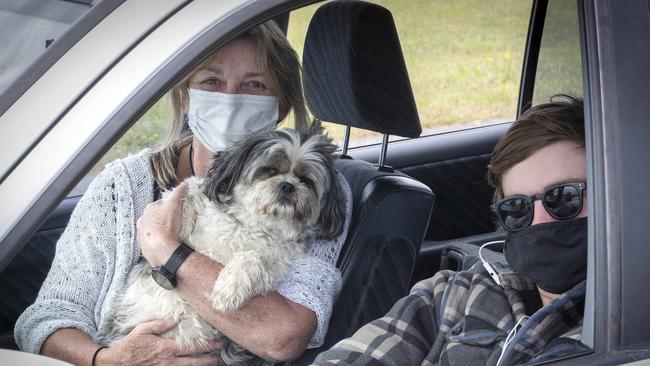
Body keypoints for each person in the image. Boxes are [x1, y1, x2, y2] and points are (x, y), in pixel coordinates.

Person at [15, 21, 352, 365]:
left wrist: (166, 249)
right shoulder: (121, 187)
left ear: (280, 105)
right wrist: (107, 360)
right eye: (211, 81)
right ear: (185, 96)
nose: (231, 99)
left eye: (254, 84)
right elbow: (43, 321)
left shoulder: (317, 194)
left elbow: (282, 337)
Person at [312, 95, 588, 366]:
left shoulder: (615, 329)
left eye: (564, 198)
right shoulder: (453, 293)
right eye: (517, 209)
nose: (538, 221)